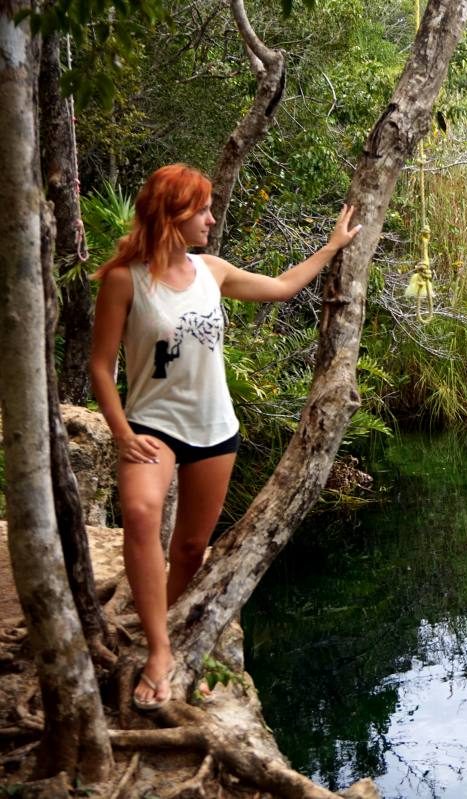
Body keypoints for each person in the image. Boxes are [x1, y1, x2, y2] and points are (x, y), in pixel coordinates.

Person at [90, 163, 361, 710]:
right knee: (141, 514)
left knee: (190, 548)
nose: (212, 219)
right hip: (152, 427)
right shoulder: (126, 279)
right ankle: (160, 656)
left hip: (216, 429)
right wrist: (121, 433)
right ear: (173, 215)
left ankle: (160, 632)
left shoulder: (211, 270)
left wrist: (332, 247)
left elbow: (283, 288)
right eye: (202, 211)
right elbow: (100, 366)